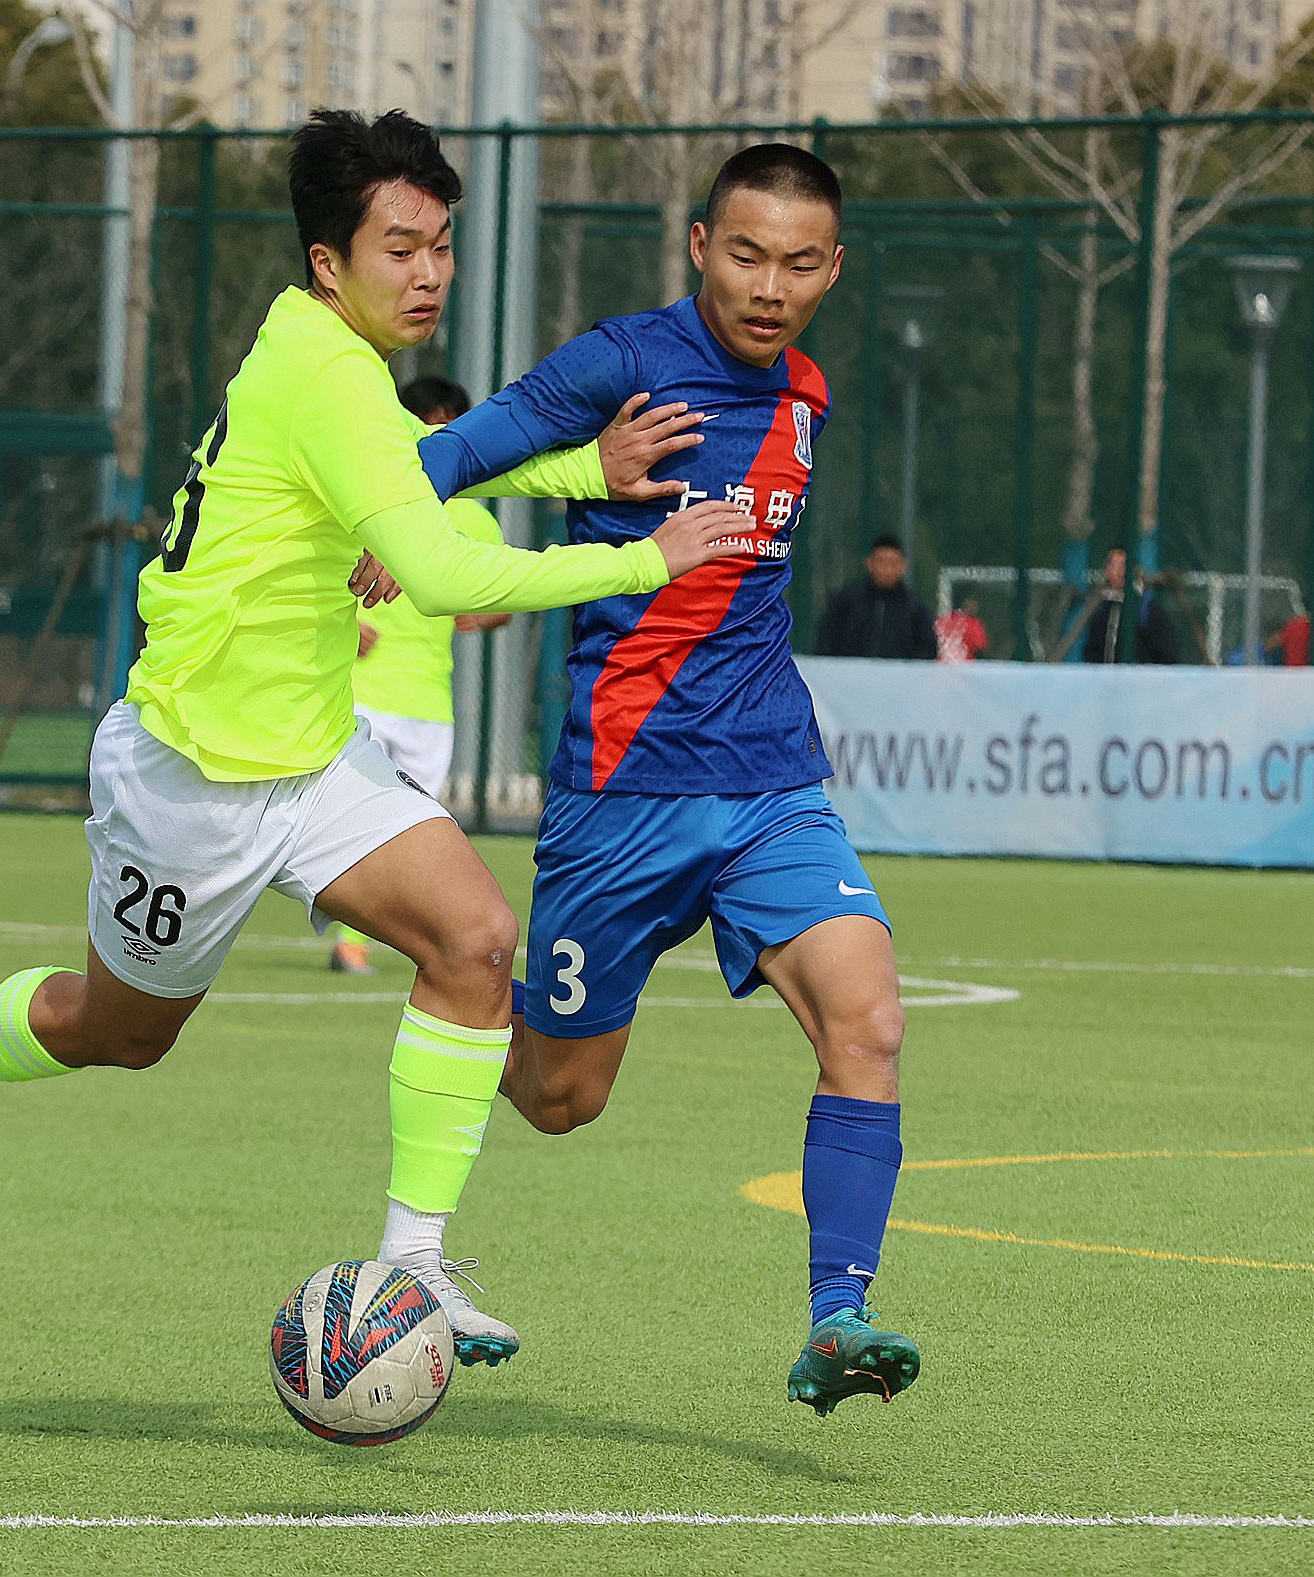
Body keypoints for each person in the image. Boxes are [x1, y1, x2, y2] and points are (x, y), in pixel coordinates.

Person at [0, 109, 752, 1366]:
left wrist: (576, 472)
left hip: (315, 757)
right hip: (190, 774)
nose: (429, 271)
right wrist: (639, 554)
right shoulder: (325, 372)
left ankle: (410, 1262)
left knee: (473, 935)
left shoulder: (323, 353)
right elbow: (441, 571)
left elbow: (413, 470)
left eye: (440, 244)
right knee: (120, 1034)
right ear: (327, 261)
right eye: (400, 247)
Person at [415, 143, 921, 1417]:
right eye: (744, 254)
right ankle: (463, 1017)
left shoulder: (805, 391)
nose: (769, 285)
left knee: (866, 1016)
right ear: (699, 245)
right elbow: (449, 456)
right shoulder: (617, 363)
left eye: (799, 263)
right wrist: (391, 539)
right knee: (559, 1100)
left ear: (832, 270)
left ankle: (836, 1314)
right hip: (619, 793)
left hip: (768, 778)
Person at [326, 374, 512, 976]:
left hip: (431, 704)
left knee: (408, 831)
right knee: (351, 823)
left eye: (446, 426)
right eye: (422, 425)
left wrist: (480, 614)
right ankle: (350, 943)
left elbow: (502, 595)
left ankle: (379, 933)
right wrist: (341, 623)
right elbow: (319, 568)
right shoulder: (367, 501)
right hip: (363, 692)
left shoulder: (475, 519)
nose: (433, 437)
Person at [815, 534, 936, 659]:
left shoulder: (915, 608)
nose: (888, 569)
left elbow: (926, 649)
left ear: (903, 566)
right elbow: (826, 640)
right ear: (870, 563)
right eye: (882, 562)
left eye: (893, 563)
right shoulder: (847, 600)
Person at [1079, 547, 1183, 665]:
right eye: (1112, 565)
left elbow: (1167, 656)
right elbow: (1092, 651)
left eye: (1122, 565)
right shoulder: (1102, 608)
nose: (1118, 571)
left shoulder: (1148, 611)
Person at [935, 596, 989, 662]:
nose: (977, 607)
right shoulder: (972, 624)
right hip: (966, 668)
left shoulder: (943, 620)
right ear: (966, 602)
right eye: (974, 602)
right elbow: (980, 644)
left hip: (940, 668)